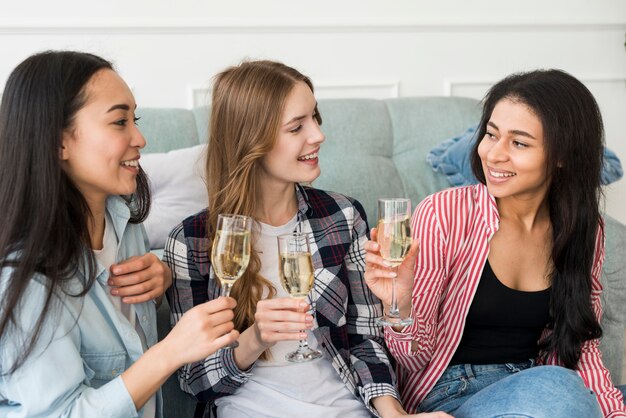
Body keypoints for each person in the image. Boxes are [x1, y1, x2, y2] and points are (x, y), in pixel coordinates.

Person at [163, 60, 450, 418]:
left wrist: (394, 414)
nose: (317, 135)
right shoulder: (192, 242)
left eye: (315, 118)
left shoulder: (342, 217)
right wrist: (253, 340)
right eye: (297, 126)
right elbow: (193, 380)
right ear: (250, 140)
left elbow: (365, 341)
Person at [364, 69, 626, 417]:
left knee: (578, 392)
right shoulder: (445, 213)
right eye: (491, 135)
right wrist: (400, 304)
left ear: (562, 155)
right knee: (558, 388)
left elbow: (581, 347)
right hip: (451, 393)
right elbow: (414, 359)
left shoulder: (584, 228)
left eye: (519, 143)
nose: (493, 154)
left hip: (537, 387)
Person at [0, 50, 239, 418]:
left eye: (135, 119)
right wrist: (171, 350)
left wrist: (163, 276)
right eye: (119, 122)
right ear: (58, 141)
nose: (140, 138)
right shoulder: (26, 277)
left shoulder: (124, 223)